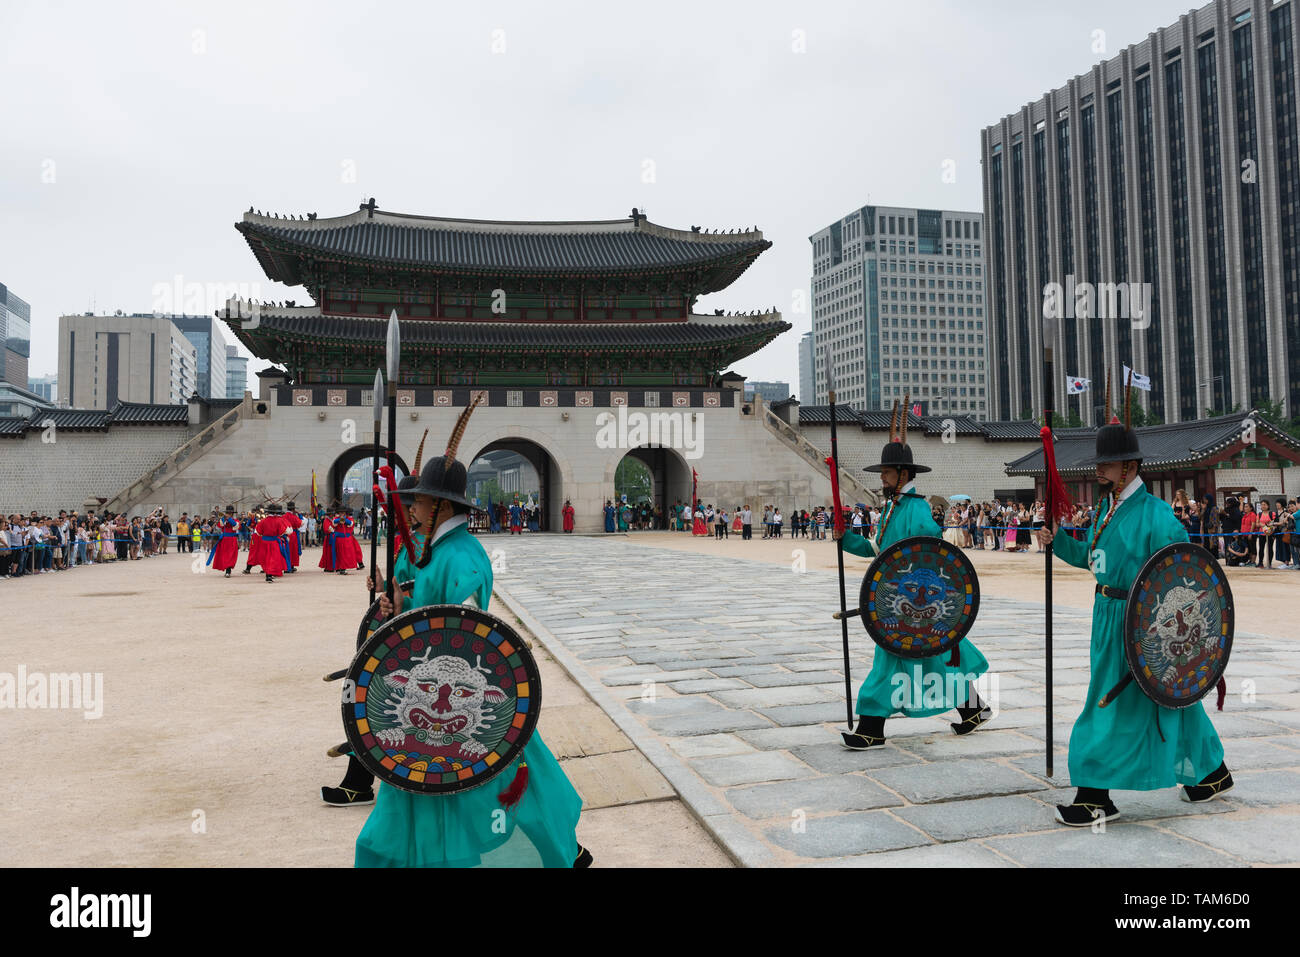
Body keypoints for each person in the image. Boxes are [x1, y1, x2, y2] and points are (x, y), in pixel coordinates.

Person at [353, 401, 589, 868]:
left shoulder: (461, 558)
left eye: (419, 499)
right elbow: (419, 619)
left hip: (456, 706)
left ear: (440, 505)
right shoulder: (436, 552)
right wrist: (394, 609)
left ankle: (558, 852)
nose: (413, 505)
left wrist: (405, 622)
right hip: (425, 704)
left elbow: (463, 640)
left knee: (496, 799)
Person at [1037, 380, 1232, 826]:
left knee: (1108, 701)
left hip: (1139, 622)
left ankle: (1093, 795)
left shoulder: (1158, 516)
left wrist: (1162, 633)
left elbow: (1182, 577)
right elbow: (1094, 559)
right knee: (1164, 698)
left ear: (1127, 466)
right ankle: (1211, 773)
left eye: (1106, 465)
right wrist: (1057, 541)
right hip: (1104, 615)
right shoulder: (1106, 509)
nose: (1099, 472)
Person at [835, 399, 992, 748]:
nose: (881, 478)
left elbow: (932, 553)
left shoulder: (918, 509)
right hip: (895, 604)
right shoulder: (891, 509)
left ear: (903, 476)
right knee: (937, 658)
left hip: (911, 603)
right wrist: (844, 538)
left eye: (886, 474)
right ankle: (973, 710)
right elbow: (878, 552)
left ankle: (871, 729)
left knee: (892, 662)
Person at [208, 506, 241, 577]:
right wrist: (223, 518)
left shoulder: (236, 521)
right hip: (224, 540)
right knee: (224, 555)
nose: (227, 514)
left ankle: (228, 571)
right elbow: (220, 526)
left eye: (229, 513)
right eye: (227, 513)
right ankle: (226, 569)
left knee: (230, 555)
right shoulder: (223, 520)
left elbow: (235, 526)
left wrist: (229, 518)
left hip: (232, 540)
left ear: (232, 514)